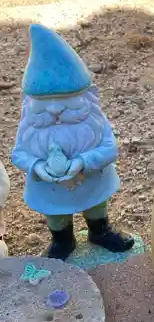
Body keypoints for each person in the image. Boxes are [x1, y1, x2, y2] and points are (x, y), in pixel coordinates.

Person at [12, 24, 134, 260]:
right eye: (43, 105)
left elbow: (109, 149)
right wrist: (37, 166)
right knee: (56, 214)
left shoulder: (95, 123)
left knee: (96, 205)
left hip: (92, 181)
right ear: (28, 103)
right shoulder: (30, 129)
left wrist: (82, 162)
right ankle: (62, 240)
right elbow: (18, 154)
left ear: (89, 97)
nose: (55, 110)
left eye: (68, 102)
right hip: (50, 188)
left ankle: (100, 231)